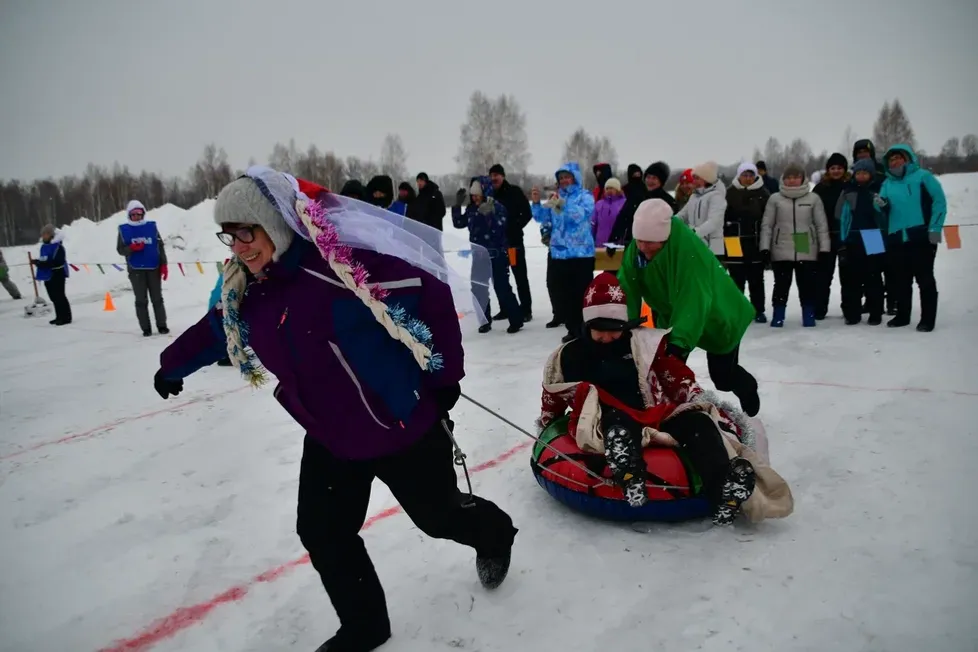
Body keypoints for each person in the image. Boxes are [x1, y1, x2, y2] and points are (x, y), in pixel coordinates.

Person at [154, 168, 517, 652]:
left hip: (399, 426)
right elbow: (216, 328)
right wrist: (171, 365)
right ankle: (366, 626)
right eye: (230, 234)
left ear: (277, 224)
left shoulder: (340, 265)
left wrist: (444, 377)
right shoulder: (249, 288)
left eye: (248, 231)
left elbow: (427, 287)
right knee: (323, 532)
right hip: (330, 435)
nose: (238, 246)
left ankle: (495, 533)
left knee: (438, 518)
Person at [538, 272, 792, 524]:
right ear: (587, 326)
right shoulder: (570, 355)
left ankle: (724, 488)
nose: (607, 337)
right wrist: (548, 424)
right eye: (599, 330)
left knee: (698, 424)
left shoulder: (642, 343)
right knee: (618, 423)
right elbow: (554, 393)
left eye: (614, 330)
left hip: (651, 410)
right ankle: (629, 473)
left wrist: (691, 392)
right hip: (605, 417)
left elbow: (672, 372)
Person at [617, 199, 760, 417]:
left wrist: (678, 344)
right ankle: (669, 413)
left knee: (722, 377)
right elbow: (628, 285)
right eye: (640, 241)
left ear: (664, 238)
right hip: (673, 314)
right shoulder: (637, 251)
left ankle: (748, 388)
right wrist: (623, 325)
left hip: (717, 315)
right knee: (666, 371)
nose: (643, 247)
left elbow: (694, 302)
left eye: (649, 242)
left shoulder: (689, 253)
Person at [877, 144, 947, 331]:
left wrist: (934, 228)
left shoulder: (923, 177)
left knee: (925, 279)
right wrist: (881, 205)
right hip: (896, 239)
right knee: (901, 281)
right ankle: (902, 316)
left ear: (908, 158)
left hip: (921, 236)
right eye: (891, 159)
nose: (895, 162)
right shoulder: (887, 183)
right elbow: (881, 207)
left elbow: (939, 202)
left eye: (898, 157)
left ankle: (927, 319)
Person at [532, 162, 596, 343]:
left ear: (575, 177)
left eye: (567, 177)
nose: (564, 181)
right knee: (564, 295)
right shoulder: (556, 196)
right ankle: (573, 328)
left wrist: (563, 204)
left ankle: (585, 329)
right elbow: (542, 217)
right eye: (561, 178)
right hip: (559, 254)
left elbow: (580, 216)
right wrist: (537, 203)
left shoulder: (585, 196)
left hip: (581, 254)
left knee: (581, 294)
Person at [759, 164, 830, 328]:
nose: (792, 181)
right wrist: (765, 248)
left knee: (807, 284)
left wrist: (824, 248)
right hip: (781, 246)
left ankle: (808, 315)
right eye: (788, 177)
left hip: (804, 243)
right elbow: (767, 225)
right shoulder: (775, 199)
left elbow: (821, 225)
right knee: (781, 285)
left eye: (795, 177)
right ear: (784, 180)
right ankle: (778, 315)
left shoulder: (813, 199)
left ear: (802, 179)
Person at [452, 177, 523, 334]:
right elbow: (458, 223)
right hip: (479, 256)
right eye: (473, 195)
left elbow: (500, 230)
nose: (475, 197)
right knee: (478, 288)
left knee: (502, 287)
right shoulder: (471, 208)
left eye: (478, 194)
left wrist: (488, 215)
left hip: (497, 255)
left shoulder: (497, 207)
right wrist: (457, 205)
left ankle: (516, 319)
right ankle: (484, 320)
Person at [836, 158, 887, 325]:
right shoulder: (848, 191)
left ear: (871, 174)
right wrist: (842, 239)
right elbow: (839, 215)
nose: (861, 176)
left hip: (873, 236)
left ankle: (875, 312)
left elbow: (884, 216)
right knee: (852, 279)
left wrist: (882, 206)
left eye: (865, 173)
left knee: (873, 277)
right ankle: (852, 313)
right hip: (852, 237)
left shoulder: (877, 190)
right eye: (858, 173)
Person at [724, 162, 771, 322]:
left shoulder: (763, 193)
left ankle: (758, 310)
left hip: (754, 241)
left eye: (751, 175)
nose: (748, 178)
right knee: (736, 278)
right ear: (739, 176)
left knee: (756, 278)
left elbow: (768, 218)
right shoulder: (729, 193)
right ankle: (737, 310)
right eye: (745, 175)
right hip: (733, 241)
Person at [488, 164, 534, 322]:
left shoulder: (514, 192)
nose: (494, 178)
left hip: (513, 244)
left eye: (497, 175)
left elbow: (527, 213)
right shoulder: (489, 194)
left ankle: (526, 309)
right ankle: (505, 308)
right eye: (492, 175)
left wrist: (515, 227)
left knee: (519, 275)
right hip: (497, 246)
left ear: (503, 176)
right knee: (501, 278)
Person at [117, 200, 168, 336]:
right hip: (136, 271)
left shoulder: (151, 227)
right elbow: (120, 249)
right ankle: (146, 328)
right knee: (141, 300)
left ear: (143, 214)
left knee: (157, 299)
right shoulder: (124, 230)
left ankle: (162, 325)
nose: (136, 216)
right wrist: (131, 248)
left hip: (154, 267)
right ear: (129, 215)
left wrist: (164, 264)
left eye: (139, 213)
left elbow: (160, 246)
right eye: (133, 214)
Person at [812, 153, 850, 320]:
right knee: (823, 275)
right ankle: (819, 308)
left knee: (848, 276)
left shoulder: (850, 186)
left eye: (839, 168)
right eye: (833, 168)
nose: (836, 171)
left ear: (845, 169)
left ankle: (849, 309)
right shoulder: (820, 188)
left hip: (845, 238)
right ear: (828, 170)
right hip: (825, 237)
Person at [677, 161, 726, 259]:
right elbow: (682, 215)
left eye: (696, 178)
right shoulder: (694, 197)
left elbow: (714, 221)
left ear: (706, 179)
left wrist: (695, 232)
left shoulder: (716, 197)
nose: (693, 181)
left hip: (712, 248)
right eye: (693, 177)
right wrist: (670, 222)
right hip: (695, 244)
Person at [30, 224, 72, 325]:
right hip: (47, 275)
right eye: (43, 234)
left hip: (57, 274)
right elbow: (44, 259)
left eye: (45, 234)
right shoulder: (44, 247)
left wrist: (43, 264)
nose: (43, 236)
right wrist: (37, 262)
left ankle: (66, 317)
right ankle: (59, 316)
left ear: (51, 235)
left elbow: (58, 261)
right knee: (53, 297)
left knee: (60, 296)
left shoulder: (58, 247)